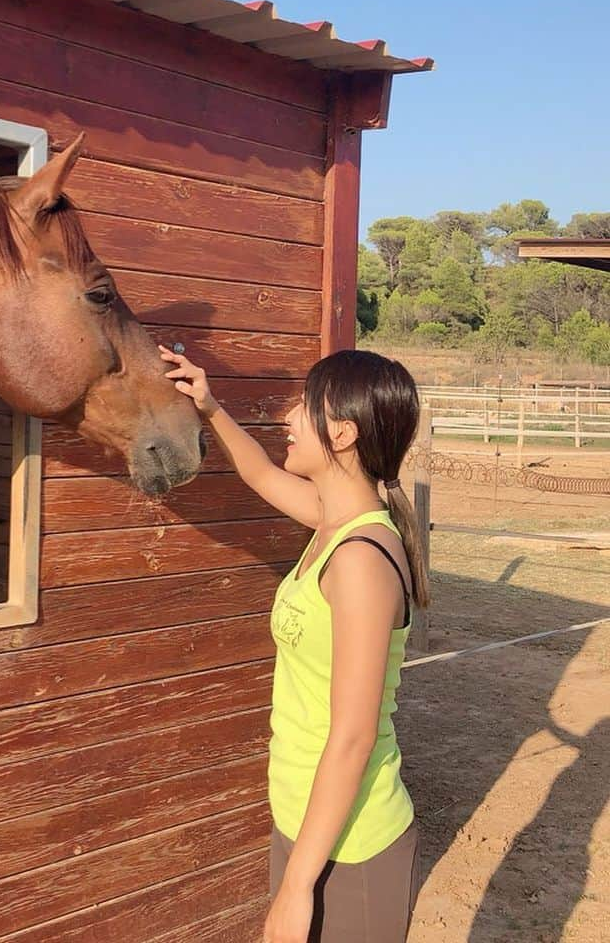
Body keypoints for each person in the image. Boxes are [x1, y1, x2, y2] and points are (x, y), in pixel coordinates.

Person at [160, 345, 429, 943]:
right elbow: (258, 472)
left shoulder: (361, 561)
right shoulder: (331, 523)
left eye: (303, 405)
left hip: (353, 847)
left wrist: (297, 887)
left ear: (341, 433)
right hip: (308, 821)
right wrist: (208, 406)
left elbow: (354, 736)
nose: (287, 415)